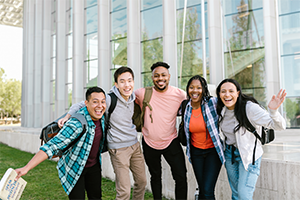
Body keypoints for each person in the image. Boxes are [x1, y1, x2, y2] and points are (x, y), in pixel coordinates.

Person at [58, 67, 147, 200]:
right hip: (118, 149)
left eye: (129, 80)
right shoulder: (110, 99)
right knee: (124, 191)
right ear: (116, 84)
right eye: (122, 81)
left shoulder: (133, 98)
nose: (127, 85)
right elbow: (82, 105)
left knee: (142, 182)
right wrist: (67, 116)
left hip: (135, 145)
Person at [15, 87, 107, 200]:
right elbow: (52, 146)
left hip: (94, 166)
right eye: (95, 102)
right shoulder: (77, 123)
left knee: (96, 197)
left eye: (103, 101)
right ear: (86, 104)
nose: (100, 105)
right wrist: (26, 168)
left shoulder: (101, 116)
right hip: (74, 167)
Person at [216, 78, 286, 200]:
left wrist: (273, 111)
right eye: (223, 91)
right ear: (219, 94)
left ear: (238, 93)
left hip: (249, 156)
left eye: (231, 91)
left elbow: (279, 126)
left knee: (244, 195)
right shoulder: (221, 110)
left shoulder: (249, 108)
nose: (227, 94)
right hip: (229, 154)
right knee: (236, 194)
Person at [135, 62, 188, 200]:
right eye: (156, 76)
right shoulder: (142, 93)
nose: (160, 78)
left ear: (169, 77)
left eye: (163, 75)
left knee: (181, 176)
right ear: (152, 78)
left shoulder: (179, 94)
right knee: (155, 176)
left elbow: (197, 101)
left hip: (171, 141)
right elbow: (121, 97)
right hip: (148, 142)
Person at [180, 75, 225, 200]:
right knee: (202, 189)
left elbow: (230, 103)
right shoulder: (185, 106)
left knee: (207, 190)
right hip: (196, 152)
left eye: (199, 88)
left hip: (213, 152)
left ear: (204, 89)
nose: (195, 91)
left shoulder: (213, 103)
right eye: (191, 87)